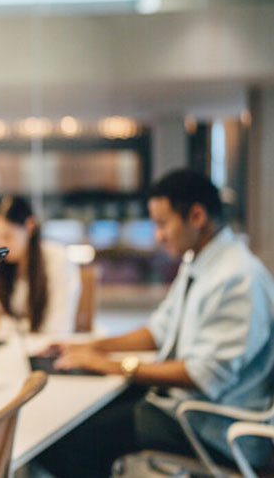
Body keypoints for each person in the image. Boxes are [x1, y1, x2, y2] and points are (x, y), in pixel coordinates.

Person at [36, 169, 274, 477]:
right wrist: (89, 346)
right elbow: (159, 331)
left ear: (197, 216)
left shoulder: (238, 278)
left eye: (162, 224)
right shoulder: (199, 264)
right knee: (76, 418)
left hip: (214, 427)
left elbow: (204, 376)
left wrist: (115, 366)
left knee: (69, 442)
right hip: (184, 407)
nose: (157, 235)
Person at [0, 196, 81, 336]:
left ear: (30, 225)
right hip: (6, 350)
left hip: (45, 350)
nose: (0, 246)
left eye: (7, 236)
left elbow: (58, 328)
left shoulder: (57, 259)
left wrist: (7, 325)